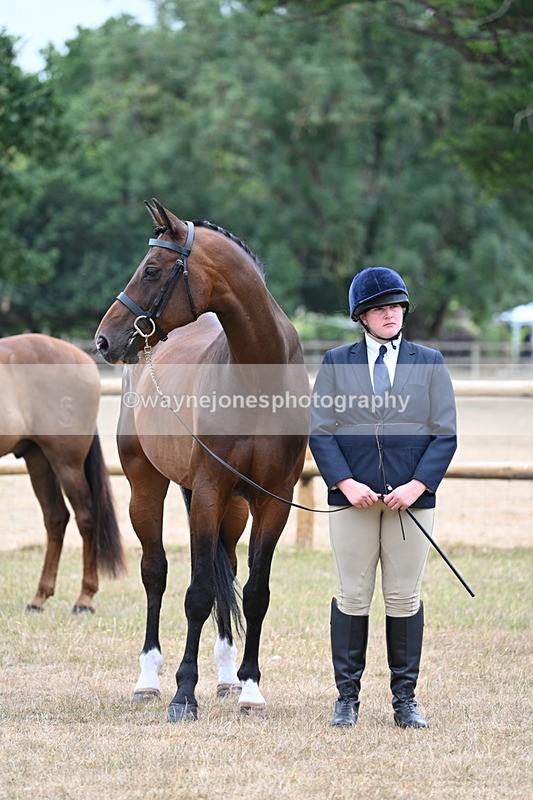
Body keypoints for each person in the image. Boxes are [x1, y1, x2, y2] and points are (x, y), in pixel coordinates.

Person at [310, 266, 457, 728]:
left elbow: (445, 433)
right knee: (352, 596)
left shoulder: (429, 361)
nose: (390, 314)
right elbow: (321, 431)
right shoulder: (337, 362)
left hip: (410, 502)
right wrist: (346, 482)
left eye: (395, 306)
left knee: (404, 598)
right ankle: (347, 699)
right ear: (362, 316)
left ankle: (405, 700)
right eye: (379, 309)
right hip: (352, 500)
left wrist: (418, 485)